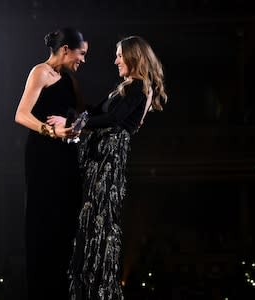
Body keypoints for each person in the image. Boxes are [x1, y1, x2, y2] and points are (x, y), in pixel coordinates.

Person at [48, 35, 167, 300]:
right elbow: (95, 111)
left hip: (108, 161)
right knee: (89, 217)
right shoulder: (126, 87)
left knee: (98, 219)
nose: (116, 61)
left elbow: (113, 118)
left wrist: (74, 121)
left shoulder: (138, 87)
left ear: (133, 57)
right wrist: (69, 113)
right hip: (98, 157)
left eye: (119, 56)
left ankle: (94, 288)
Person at [14, 27, 88, 299]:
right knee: (44, 221)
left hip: (66, 156)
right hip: (43, 155)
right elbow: (21, 114)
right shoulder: (40, 72)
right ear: (66, 49)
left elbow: (83, 116)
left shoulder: (70, 79)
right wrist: (52, 132)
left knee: (65, 222)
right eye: (81, 53)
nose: (83, 60)